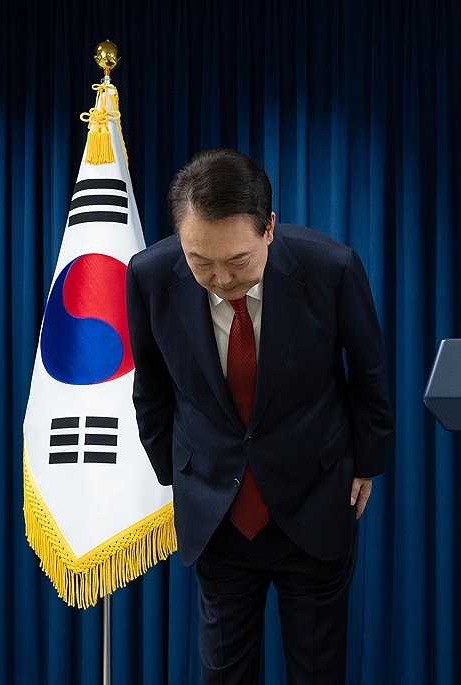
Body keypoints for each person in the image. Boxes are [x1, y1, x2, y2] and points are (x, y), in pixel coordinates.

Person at [126, 148, 393, 683]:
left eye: (239, 261)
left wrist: (365, 463)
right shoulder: (149, 276)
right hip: (216, 511)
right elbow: (151, 389)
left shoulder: (330, 268)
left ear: (269, 227)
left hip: (314, 500)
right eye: (201, 261)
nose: (221, 278)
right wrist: (180, 478)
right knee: (224, 673)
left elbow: (369, 374)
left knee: (317, 670)